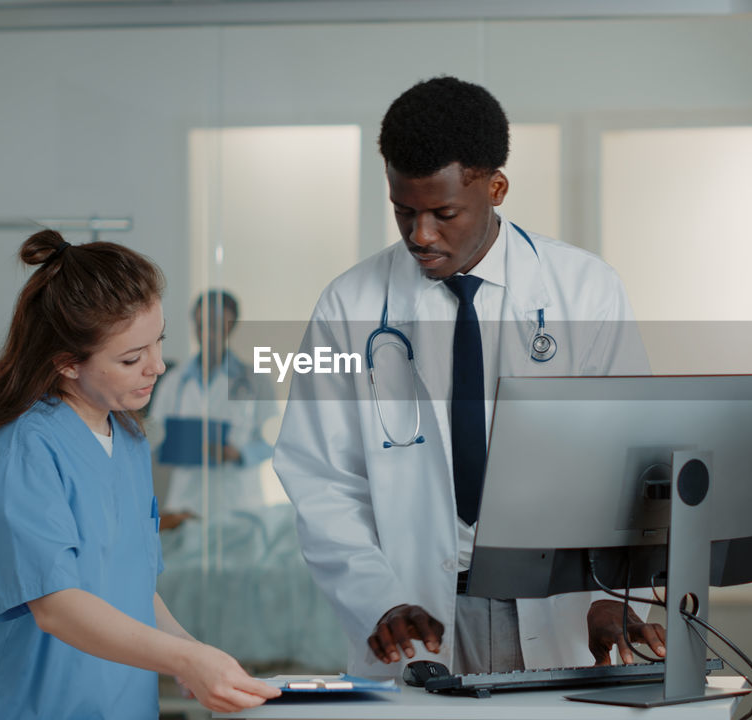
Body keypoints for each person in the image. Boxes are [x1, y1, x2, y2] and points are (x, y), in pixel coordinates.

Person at [273, 76, 664, 678]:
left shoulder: (585, 290)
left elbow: (627, 460)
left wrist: (613, 594)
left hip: (558, 604)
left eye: (443, 213)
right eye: (403, 212)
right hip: (414, 609)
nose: (420, 235)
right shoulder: (346, 306)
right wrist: (380, 599)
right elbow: (321, 477)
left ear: (496, 187)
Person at [0, 231, 280, 718]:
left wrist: (198, 658)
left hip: (112, 702)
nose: (157, 367)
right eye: (131, 358)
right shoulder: (21, 447)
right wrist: (187, 658)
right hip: (15, 705)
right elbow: (56, 605)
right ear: (66, 363)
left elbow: (131, 587)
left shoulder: (127, 438)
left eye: (158, 343)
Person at [148, 291, 277, 533]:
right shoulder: (174, 381)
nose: (208, 333)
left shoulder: (255, 381)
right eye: (201, 325)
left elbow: (275, 439)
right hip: (185, 503)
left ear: (231, 327)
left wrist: (238, 454)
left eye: (216, 325)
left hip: (238, 501)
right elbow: (153, 435)